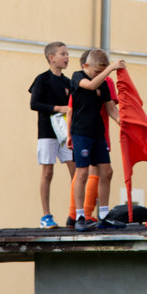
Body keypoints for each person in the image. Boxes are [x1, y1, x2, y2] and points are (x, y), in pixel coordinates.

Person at [69, 48, 125, 232]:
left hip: (97, 134)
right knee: (82, 173)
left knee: (107, 172)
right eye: (97, 71)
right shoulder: (77, 77)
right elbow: (91, 85)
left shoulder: (104, 83)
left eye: (103, 71)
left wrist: (122, 123)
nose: (100, 76)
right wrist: (110, 69)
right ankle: (79, 216)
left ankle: (103, 215)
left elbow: (111, 109)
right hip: (81, 133)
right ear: (86, 66)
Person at [28, 41, 74, 229]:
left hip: (66, 132)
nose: (67, 57)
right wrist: (58, 108)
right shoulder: (42, 79)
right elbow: (34, 104)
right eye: (62, 54)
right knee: (48, 172)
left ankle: (77, 212)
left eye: (67, 54)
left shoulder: (68, 82)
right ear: (51, 58)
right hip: (47, 131)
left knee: (76, 171)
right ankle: (46, 216)